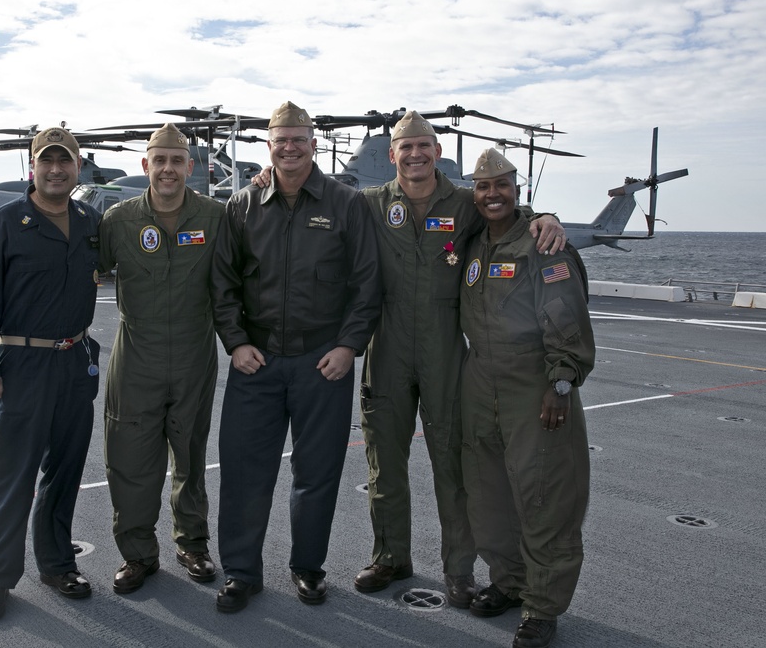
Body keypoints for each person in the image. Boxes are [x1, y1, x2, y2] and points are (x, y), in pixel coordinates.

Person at [353, 111, 566, 609]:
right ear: (393, 155)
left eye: (424, 145)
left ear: (438, 152)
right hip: (386, 346)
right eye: (406, 147)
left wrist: (545, 215)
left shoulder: (464, 203)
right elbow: (313, 194)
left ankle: (459, 571)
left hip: (446, 349)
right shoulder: (368, 204)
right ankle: (390, 556)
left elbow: (507, 210)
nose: (415, 154)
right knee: (385, 461)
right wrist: (263, 175)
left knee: (454, 465)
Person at [210, 101, 381, 612]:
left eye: (298, 138)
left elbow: (367, 283)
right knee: (244, 471)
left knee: (317, 471)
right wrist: (236, 342)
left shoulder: (346, 203)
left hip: (320, 364)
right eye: (280, 139)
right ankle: (241, 573)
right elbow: (223, 282)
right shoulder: (242, 205)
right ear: (269, 146)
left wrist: (349, 346)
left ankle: (307, 567)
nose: (289, 147)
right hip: (256, 364)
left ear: (313, 143)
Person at [0, 126, 102, 622]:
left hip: (74, 361)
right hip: (22, 365)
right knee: (10, 478)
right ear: (33, 167)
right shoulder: (6, 223)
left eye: (65, 161)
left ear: (78, 168)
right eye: (48, 161)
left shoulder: (89, 220)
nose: (57, 169)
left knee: (64, 474)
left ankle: (58, 565)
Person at [459, 148, 594, 648]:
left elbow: (567, 317)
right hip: (479, 379)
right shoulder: (473, 240)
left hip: (533, 382)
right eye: (483, 187)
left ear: (518, 190)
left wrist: (561, 382)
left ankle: (542, 606)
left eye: (502, 186)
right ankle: (509, 582)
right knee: (487, 490)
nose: (492, 194)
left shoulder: (544, 244)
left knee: (544, 496)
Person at [97, 122, 224, 594]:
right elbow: (79, 272)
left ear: (190, 167)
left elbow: (234, 283)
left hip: (195, 354)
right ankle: (138, 555)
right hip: (136, 357)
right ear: (145, 164)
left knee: (190, 455)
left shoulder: (215, 217)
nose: (168, 169)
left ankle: (192, 544)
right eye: (160, 160)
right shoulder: (118, 220)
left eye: (177, 160)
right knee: (131, 459)